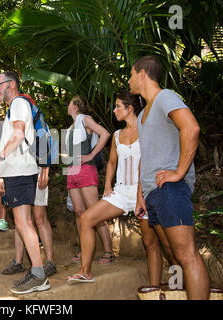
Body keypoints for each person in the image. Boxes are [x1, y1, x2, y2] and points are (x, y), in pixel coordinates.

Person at [66, 91, 177, 284]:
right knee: (86, 218)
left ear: (130, 108)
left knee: (153, 243)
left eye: (118, 106)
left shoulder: (146, 132)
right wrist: (108, 185)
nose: (114, 110)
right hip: (121, 192)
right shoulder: (117, 135)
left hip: (145, 192)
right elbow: (111, 164)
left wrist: (141, 195)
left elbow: (150, 163)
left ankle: (156, 287)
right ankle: (85, 271)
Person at [129, 55, 210, 299]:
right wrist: (140, 195)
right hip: (154, 193)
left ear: (142, 74)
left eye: (131, 75)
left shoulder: (166, 97)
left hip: (170, 190)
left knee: (186, 255)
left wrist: (179, 172)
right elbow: (147, 154)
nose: (129, 81)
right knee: (173, 255)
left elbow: (191, 128)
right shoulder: (144, 113)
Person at [0, 71, 50, 295]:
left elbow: (19, 135)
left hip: (21, 171)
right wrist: (2, 172)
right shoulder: (14, 107)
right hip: (16, 172)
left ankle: (39, 274)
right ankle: (37, 272)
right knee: (24, 223)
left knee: (23, 224)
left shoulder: (19, 102)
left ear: (11, 84)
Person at [64, 96, 111, 265]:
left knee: (94, 211)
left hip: (86, 169)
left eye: (69, 103)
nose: (67, 106)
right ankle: (85, 250)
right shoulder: (70, 127)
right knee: (79, 213)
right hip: (72, 170)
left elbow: (105, 133)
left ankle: (108, 251)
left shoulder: (85, 119)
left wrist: (91, 155)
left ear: (75, 106)